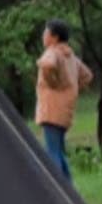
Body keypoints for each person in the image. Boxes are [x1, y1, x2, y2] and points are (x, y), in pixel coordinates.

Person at [35, 19, 93, 182]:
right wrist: (71, 89)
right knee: (59, 151)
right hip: (65, 112)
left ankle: (58, 188)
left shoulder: (52, 52)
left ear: (54, 37)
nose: (43, 36)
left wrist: (53, 83)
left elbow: (47, 65)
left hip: (51, 110)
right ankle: (68, 189)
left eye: (46, 33)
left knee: (52, 153)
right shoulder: (70, 56)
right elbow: (87, 76)